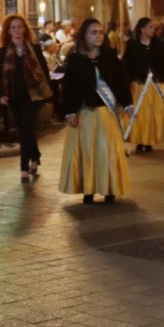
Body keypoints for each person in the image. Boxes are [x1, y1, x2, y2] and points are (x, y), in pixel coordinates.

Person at [60, 18, 133, 205]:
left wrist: (127, 104)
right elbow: (69, 88)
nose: (99, 35)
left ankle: (109, 188)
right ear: (84, 35)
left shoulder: (110, 57)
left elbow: (121, 83)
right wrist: (69, 112)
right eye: (94, 32)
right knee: (87, 152)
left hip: (106, 114)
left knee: (107, 151)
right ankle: (88, 190)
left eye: (101, 32)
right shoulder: (76, 60)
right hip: (85, 114)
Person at [0, 14, 52, 184]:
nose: (17, 30)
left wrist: (48, 95)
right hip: (13, 96)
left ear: (25, 29)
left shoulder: (35, 49)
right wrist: (1, 94)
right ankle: (36, 156)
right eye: (13, 27)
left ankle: (24, 168)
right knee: (25, 129)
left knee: (26, 128)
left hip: (33, 96)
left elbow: (44, 73)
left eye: (19, 27)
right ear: (8, 32)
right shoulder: (3, 52)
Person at [123, 17, 164, 153]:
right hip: (139, 85)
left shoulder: (158, 44)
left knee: (152, 113)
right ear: (142, 29)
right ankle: (139, 139)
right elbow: (127, 65)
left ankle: (149, 139)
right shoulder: (133, 45)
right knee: (140, 113)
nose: (153, 30)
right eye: (150, 27)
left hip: (153, 85)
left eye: (153, 27)